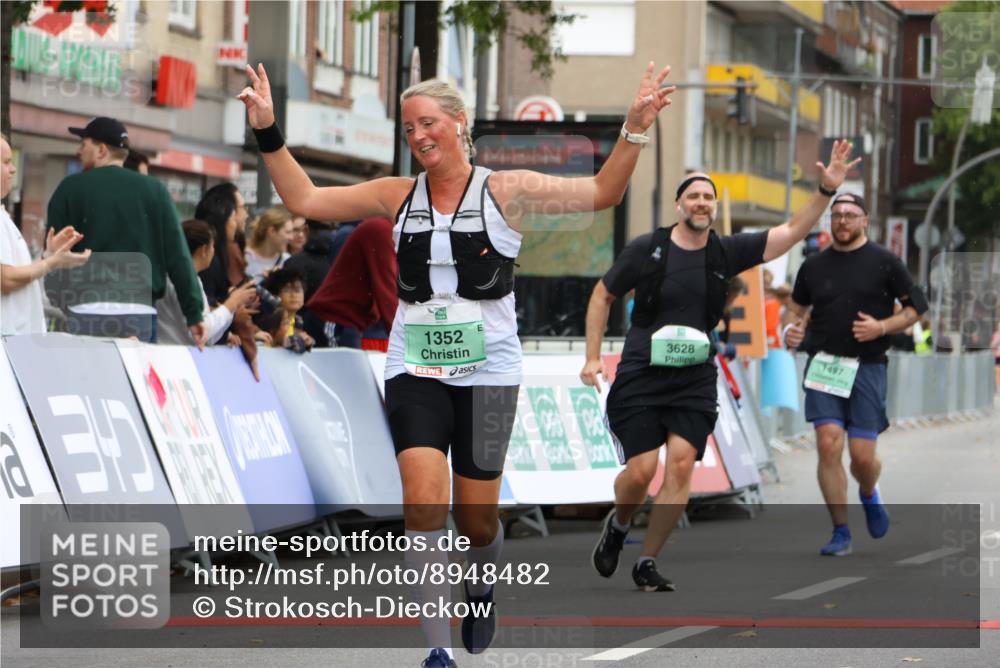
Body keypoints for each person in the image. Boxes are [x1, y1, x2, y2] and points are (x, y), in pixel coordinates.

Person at [240, 59, 676, 667]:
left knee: (476, 522)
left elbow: (603, 193)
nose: (418, 137)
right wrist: (266, 126)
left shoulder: (507, 190)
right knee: (423, 502)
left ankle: (480, 584)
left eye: (427, 123)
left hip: (490, 375)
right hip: (415, 368)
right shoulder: (396, 195)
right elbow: (305, 197)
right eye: (408, 128)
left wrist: (634, 128)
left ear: (459, 122)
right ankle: (437, 649)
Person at [581, 141, 860, 592]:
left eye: (708, 197)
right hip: (642, 374)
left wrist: (825, 191)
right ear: (679, 205)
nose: (701, 202)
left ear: (714, 207)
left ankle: (647, 560)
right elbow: (602, 295)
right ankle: (619, 524)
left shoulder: (725, 252)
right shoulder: (648, 248)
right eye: (693, 196)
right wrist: (593, 356)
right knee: (641, 472)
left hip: (693, 377)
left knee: (681, 467)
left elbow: (791, 232)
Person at [782, 193, 928, 556]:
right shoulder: (814, 265)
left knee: (862, 457)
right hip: (824, 365)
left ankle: (869, 491)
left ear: (864, 220)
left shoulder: (885, 262)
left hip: (868, 366)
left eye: (850, 215)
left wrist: (882, 327)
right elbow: (794, 308)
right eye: (837, 215)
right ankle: (841, 532)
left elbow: (916, 310)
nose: (843, 220)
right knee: (827, 442)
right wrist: (790, 330)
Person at [45, 117, 205, 345]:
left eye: (84, 144)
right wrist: (194, 314)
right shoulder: (155, 191)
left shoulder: (69, 189)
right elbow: (179, 256)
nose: (79, 151)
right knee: (134, 369)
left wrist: (61, 300)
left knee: (88, 369)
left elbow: (53, 254)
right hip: (139, 311)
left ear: (101, 150)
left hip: (86, 308)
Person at [1, 133, 91, 334]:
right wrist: (52, 262)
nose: (13, 169)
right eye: (6, 162)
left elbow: (13, 274)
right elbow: (6, 279)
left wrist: (48, 257)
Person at [157, 219, 257, 346]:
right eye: (213, 246)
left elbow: (207, 337)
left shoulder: (187, 278)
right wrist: (231, 303)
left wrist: (232, 306)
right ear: (204, 250)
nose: (213, 251)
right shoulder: (183, 281)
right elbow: (199, 333)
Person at [306, 217, 397, 352]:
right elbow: (387, 289)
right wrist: (407, 342)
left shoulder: (386, 229)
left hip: (348, 321)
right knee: (347, 365)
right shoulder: (380, 228)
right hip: (336, 318)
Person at [257, 268, 314, 352]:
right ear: (275, 295)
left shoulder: (298, 321)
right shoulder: (271, 320)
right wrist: (300, 341)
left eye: (297, 290)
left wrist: (308, 342)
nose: (293, 295)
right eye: (287, 290)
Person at [244, 205, 294, 280]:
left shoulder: (287, 261)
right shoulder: (245, 257)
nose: (291, 237)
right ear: (272, 231)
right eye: (288, 232)